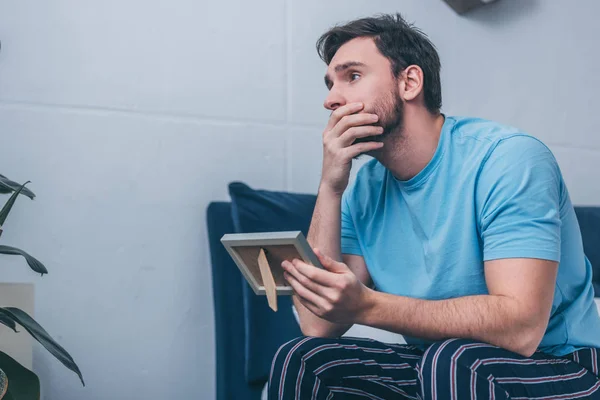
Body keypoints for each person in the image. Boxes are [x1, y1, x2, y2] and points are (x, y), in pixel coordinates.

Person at [267, 13, 600, 400]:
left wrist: (367, 305)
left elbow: (521, 330)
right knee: (305, 357)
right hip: (440, 363)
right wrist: (330, 186)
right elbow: (317, 325)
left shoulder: (508, 160)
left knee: (455, 359)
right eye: (330, 84)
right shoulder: (364, 189)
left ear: (409, 82)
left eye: (352, 76)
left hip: (563, 363)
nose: (331, 99)